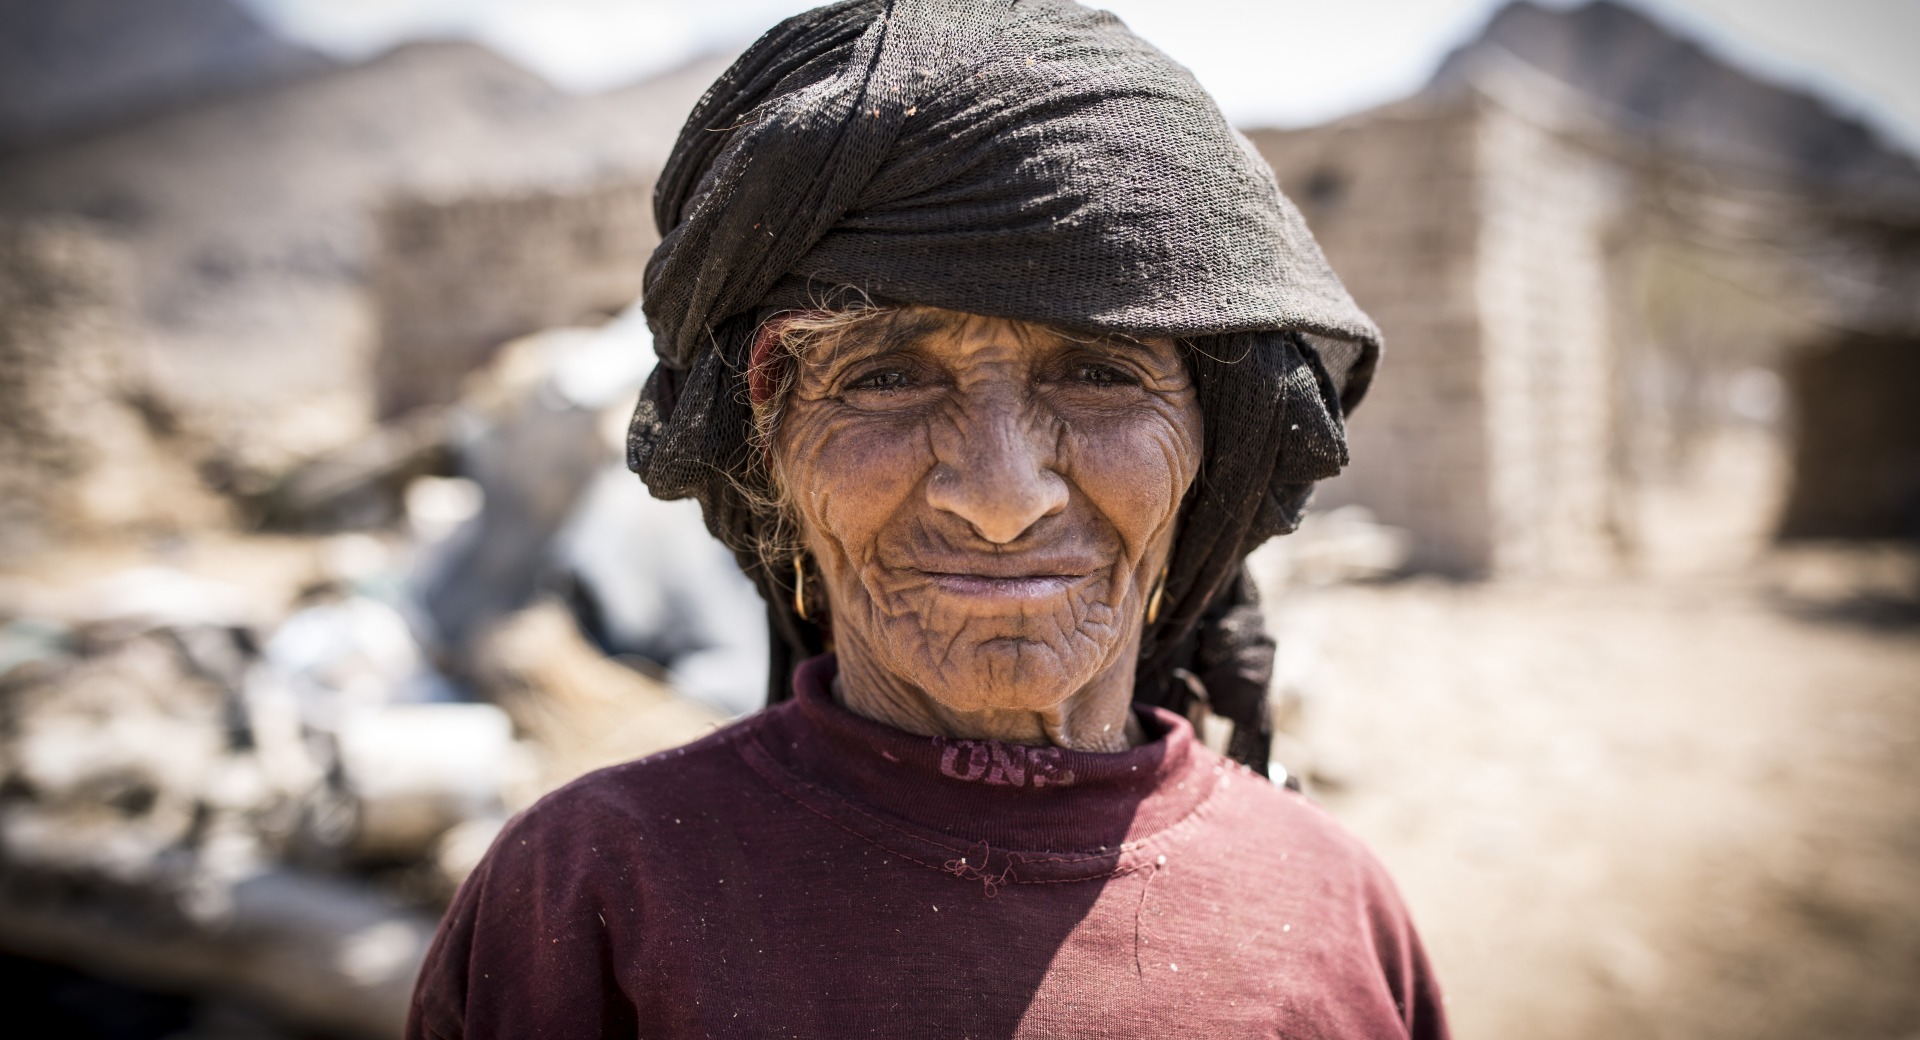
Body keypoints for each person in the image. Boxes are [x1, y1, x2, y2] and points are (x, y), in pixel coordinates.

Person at [408, 1, 1447, 1036]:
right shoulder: (587, 895)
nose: (1002, 497)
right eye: (887, 376)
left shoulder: (1334, 909)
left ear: (1214, 448)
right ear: (768, 458)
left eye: (1097, 372)